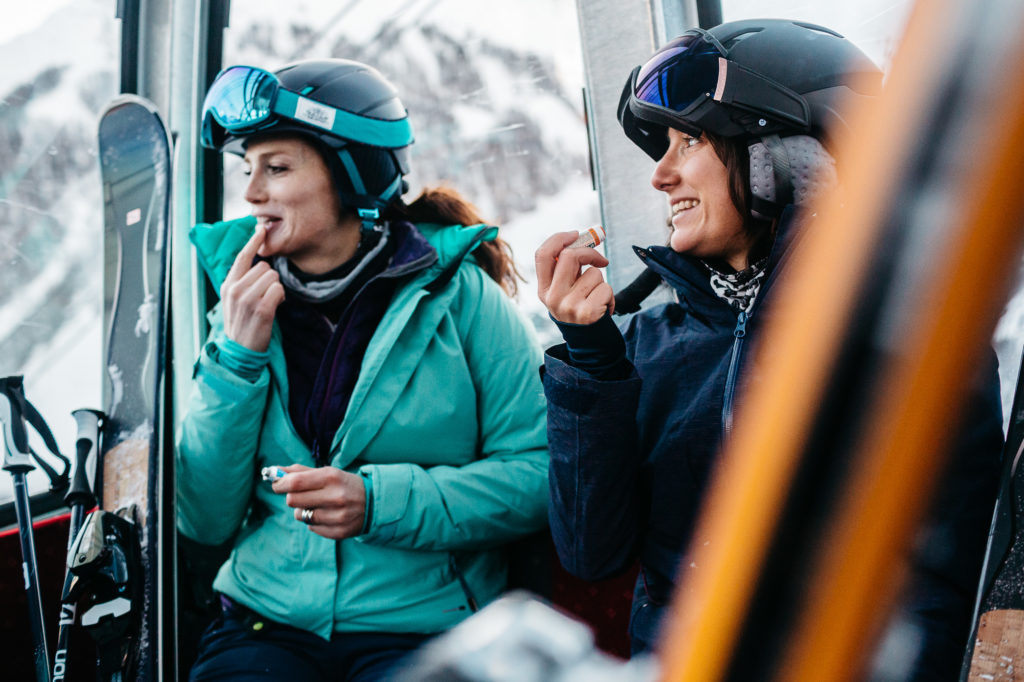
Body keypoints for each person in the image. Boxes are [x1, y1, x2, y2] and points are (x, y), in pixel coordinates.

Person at [535, 18, 1004, 677]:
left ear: (791, 162)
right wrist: (592, 360)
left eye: (689, 140)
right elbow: (592, 553)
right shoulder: (642, 345)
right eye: (662, 148)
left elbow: (938, 581)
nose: (659, 176)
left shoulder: (906, 335)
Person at [176, 58, 549, 681]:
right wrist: (235, 359)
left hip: (424, 626)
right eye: (248, 169)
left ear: (354, 174)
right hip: (266, 622)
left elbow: (539, 475)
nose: (251, 194)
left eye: (277, 168)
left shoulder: (463, 300)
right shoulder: (241, 306)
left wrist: (380, 503)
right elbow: (204, 517)